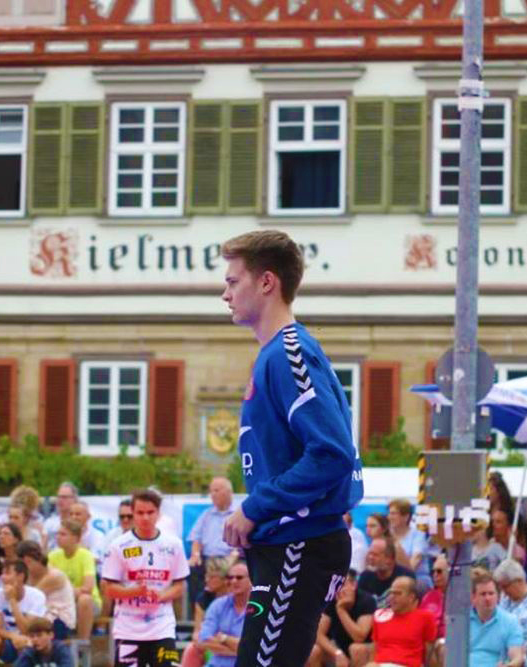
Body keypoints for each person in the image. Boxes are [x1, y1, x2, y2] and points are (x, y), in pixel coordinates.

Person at [220, 230, 364, 667]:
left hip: (299, 542)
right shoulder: (274, 355)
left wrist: (255, 507)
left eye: (232, 281)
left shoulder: (289, 353)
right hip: (284, 543)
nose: (224, 292)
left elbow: (332, 452)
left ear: (267, 282)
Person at [101, 488, 189, 667]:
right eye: (140, 513)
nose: (145, 517)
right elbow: (108, 588)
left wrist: (162, 595)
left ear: (158, 513)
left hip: (161, 627)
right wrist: (134, 591)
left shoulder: (173, 545)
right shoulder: (119, 546)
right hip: (128, 629)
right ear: (133, 513)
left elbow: (181, 585)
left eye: (150, 512)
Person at [0, 559, 47, 667]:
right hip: (7, 639)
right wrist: (13, 636)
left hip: (30, 638)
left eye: (7, 573)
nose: (3, 577)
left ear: (21, 576)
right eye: (2, 573)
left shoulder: (37, 596)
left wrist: (12, 600)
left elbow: (27, 630)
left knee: (24, 643)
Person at [309, 568, 375, 667]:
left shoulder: (366, 600)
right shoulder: (332, 598)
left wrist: (341, 610)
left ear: (354, 585)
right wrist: (337, 653)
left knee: (356, 649)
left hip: (365, 648)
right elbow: (318, 634)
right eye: (336, 585)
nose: (338, 589)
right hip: (339, 645)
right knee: (313, 651)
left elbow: (359, 637)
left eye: (342, 585)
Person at [188, 477, 237, 607]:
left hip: (232, 557)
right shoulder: (206, 515)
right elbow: (196, 538)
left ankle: (230, 610)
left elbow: (245, 539)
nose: (212, 494)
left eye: (216, 490)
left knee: (234, 570)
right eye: (211, 491)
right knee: (191, 568)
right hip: (207, 558)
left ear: (228, 492)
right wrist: (195, 554)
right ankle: (200, 608)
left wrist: (235, 554)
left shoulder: (239, 513)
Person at [48, 518, 101, 640]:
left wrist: (66, 592)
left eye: (63, 534)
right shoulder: (52, 556)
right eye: (58, 534)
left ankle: (83, 643)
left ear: (76, 538)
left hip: (86, 603)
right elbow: (50, 587)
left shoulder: (86, 555)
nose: (58, 537)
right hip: (62, 601)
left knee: (85, 599)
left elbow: (88, 588)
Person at [367, 576, 437, 667]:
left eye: (398, 593)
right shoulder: (380, 615)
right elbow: (374, 649)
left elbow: (430, 653)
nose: (392, 597)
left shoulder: (426, 617)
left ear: (411, 597)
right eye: (391, 593)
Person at [17, 539, 76, 640]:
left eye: (29, 562)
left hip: (59, 621)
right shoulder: (28, 576)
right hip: (38, 619)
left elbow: (30, 598)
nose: (26, 566)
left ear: (38, 559)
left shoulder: (54, 576)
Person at [197, 561, 251, 667]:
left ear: (251, 580)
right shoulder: (217, 605)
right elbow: (203, 641)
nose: (234, 581)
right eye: (230, 578)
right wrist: (239, 650)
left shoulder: (259, 608)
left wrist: (223, 638)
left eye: (239, 577)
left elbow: (253, 647)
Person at [469, 569, 524, 667]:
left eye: (491, 593)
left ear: (498, 597)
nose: (488, 598)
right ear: (473, 597)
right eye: (483, 594)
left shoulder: (510, 621)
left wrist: (510, 665)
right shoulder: (462, 621)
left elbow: (517, 656)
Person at [387, 499, 433, 591]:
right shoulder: (387, 535)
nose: (390, 517)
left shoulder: (418, 535)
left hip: (416, 580)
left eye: (393, 514)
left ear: (406, 517)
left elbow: (413, 565)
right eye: (389, 513)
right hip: (393, 580)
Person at [358, 538, 413, 609]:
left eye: (375, 555)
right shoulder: (365, 576)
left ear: (389, 559)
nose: (370, 557)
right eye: (370, 553)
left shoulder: (405, 577)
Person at [43, 482, 79, 550]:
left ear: (74, 499)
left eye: (64, 497)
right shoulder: (49, 523)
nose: (60, 500)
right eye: (59, 497)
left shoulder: (79, 523)